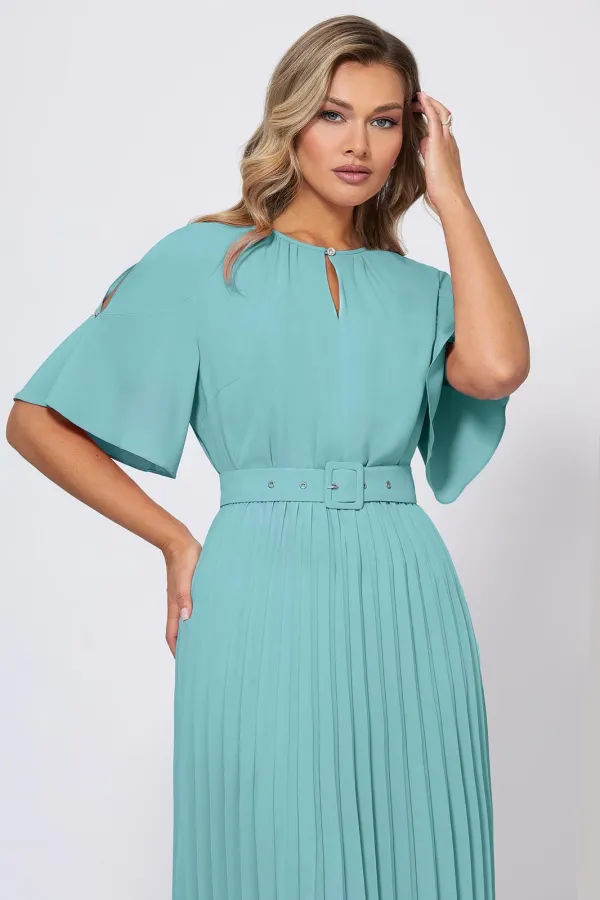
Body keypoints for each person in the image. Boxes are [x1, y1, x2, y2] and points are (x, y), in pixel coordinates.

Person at [6, 14, 528, 900]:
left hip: (405, 592)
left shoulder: (425, 290)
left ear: (411, 137)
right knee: (273, 852)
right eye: (334, 114)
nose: (358, 144)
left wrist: (453, 199)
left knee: (419, 851)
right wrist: (174, 540)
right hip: (258, 585)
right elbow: (36, 421)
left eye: (385, 120)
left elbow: (499, 367)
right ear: (291, 119)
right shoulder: (204, 262)